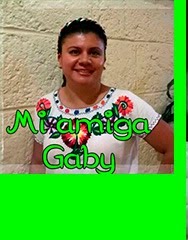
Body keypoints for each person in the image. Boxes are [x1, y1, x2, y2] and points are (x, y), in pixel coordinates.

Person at [29, 18, 174, 174]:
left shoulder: (125, 104)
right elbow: (38, 162)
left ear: (104, 60)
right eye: (74, 52)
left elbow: (173, 147)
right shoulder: (45, 106)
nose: (85, 60)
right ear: (60, 59)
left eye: (94, 53)